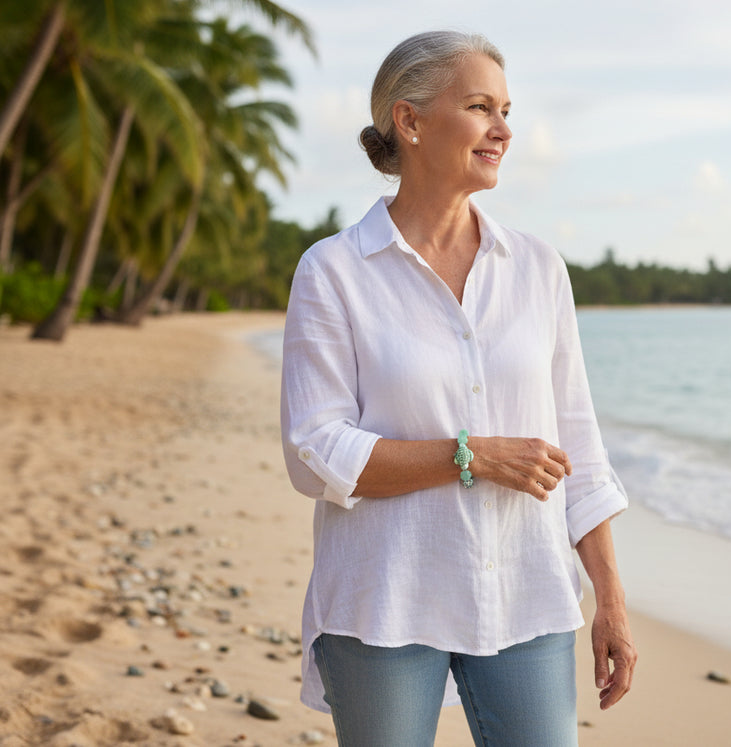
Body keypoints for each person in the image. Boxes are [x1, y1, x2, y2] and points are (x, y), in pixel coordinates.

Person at [281, 30, 637, 747]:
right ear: (410, 121)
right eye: (480, 107)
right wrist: (471, 455)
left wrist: (610, 597)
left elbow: (578, 444)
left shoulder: (538, 268)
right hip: (386, 602)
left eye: (506, 110)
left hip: (528, 594)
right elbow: (314, 454)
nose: (503, 129)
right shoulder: (333, 271)